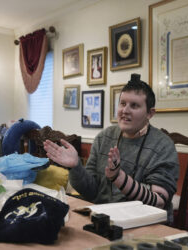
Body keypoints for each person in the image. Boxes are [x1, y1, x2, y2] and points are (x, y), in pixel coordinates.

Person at [43, 74, 179, 221]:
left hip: (145, 224)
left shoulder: (163, 146)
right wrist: (75, 167)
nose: (125, 110)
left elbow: (159, 202)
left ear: (150, 113)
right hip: (103, 219)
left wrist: (119, 178)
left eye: (134, 105)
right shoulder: (104, 137)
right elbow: (91, 192)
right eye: (122, 103)